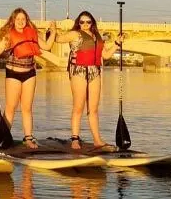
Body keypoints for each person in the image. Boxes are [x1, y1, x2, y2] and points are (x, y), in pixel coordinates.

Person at [53, 11, 123, 151]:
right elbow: (58, 40)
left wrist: (116, 44)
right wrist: (53, 30)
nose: (85, 24)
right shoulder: (75, 34)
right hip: (78, 71)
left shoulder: (97, 36)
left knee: (93, 109)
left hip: (94, 71)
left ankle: (97, 140)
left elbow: (106, 55)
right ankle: (75, 138)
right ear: (78, 23)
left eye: (88, 22)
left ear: (92, 23)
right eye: (82, 22)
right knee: (78, 107)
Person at [0, 8, 56, 149]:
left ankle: (28, 138)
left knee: (27, 108)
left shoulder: (32, 33)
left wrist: (54, 31)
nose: (20, 22)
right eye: (18, 19)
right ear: (13, 20)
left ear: (27, 20)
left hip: (30, 73)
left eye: (23, 19)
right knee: (11, 107)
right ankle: (3, 136)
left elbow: (47, 46)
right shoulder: (8, 35)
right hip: (13, 73)